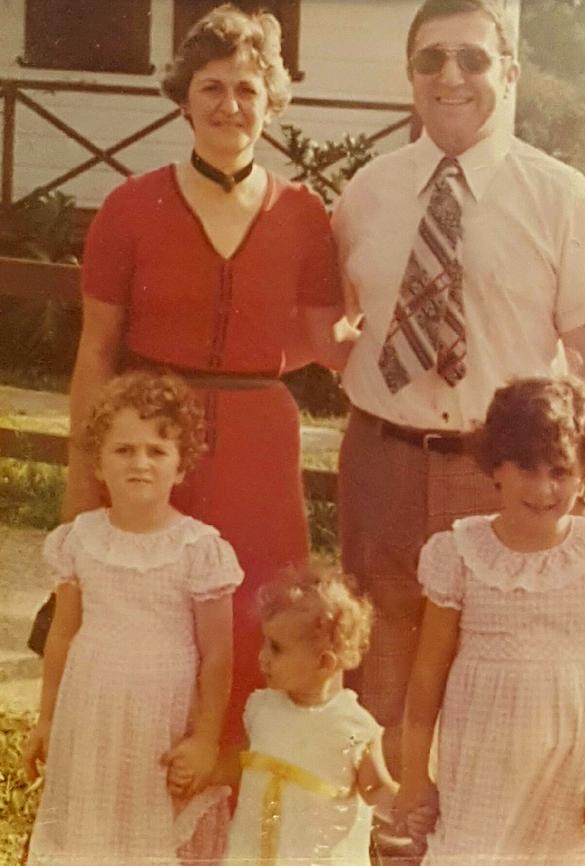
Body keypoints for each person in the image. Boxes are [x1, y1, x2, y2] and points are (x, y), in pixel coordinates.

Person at [331, 0, 585, 769]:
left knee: (493, 671)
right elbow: (332, 320)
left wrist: (579, 486)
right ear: (411, 78)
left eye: (471, 58)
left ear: (511, 72)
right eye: (431, 61)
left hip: (501, 473)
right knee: (382, 664)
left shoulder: (561, 194)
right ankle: (390, 838)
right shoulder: (368, 190)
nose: (451, 77)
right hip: (384, 461)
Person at [54, 3, 347, 746]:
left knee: (257, 616)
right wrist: (86, 470)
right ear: (185, 97)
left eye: (248, 89)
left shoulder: (306, 214)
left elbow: (321, 338)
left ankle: (236, 817)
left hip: (259, 443)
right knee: (144, 615)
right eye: (213, 87)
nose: (230, 105)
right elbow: (96, 351)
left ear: (271, 102)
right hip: (153, 438)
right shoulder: (129, 207)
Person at [396, 376, 585, 865]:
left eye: (560, 471)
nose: (543, 488)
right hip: (480, 750)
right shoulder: (461, 552)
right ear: (496, 468)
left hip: (566, 760)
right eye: (526, 469)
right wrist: (413, 773)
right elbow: (427, 674)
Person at [23, 371, 244, 866]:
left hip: (160, 718)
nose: (139, 463)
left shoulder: (198, 548)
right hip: (90, 711)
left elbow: (218, 655)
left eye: (156, 451)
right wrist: (48, 717)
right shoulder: (80, 539)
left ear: (181, 467)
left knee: (149, 834)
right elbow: (62, 634)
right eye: (123, 450)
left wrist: (206, 737)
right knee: (88, 828)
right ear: (99, 462)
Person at [215, 569, 399, 865]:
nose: (262, 656)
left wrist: (406, 809)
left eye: (276, 648)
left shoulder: (352, 725)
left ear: (323, 663)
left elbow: (375, 787)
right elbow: (241, 761)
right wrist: (207, 771)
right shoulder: (262, 708)